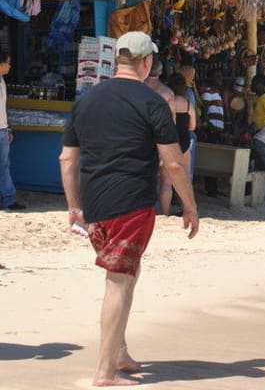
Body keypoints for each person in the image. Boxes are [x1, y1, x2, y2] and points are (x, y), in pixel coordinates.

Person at [58, 31, 198, 386]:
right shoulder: (153, 102)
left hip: (94, 206)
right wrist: (190, 206)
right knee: (118, 282)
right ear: (147, 62)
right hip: (131, 205)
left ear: (119, 59)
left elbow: (67, 160)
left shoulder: (87, 100)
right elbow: (174, 164)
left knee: (125, 274)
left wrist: (74, 207)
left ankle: (117, 351)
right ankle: (105, 372)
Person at [159, 73, 197, 216]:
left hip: (168, 141)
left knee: (166, 182)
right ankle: (186, 209)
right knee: (183, 179)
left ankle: (165, 213)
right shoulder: (188, 104)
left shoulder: (168, 102)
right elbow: (192, 127)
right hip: (184, 141)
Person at [0, 52, 25, 211]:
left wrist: (7, 128)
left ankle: (8, 199)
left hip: (2, 130)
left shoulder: (2, 81)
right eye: (8, 63)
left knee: (4, 165)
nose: (10, 66)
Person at [198, 70, 227, 143]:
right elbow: (204, 112)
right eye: (217, 77)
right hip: (212, 131)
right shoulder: (208, 93)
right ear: (211, 79)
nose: (220, 79)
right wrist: (210, 127)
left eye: (220, 76)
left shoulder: (217, 93)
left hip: (218, 130)